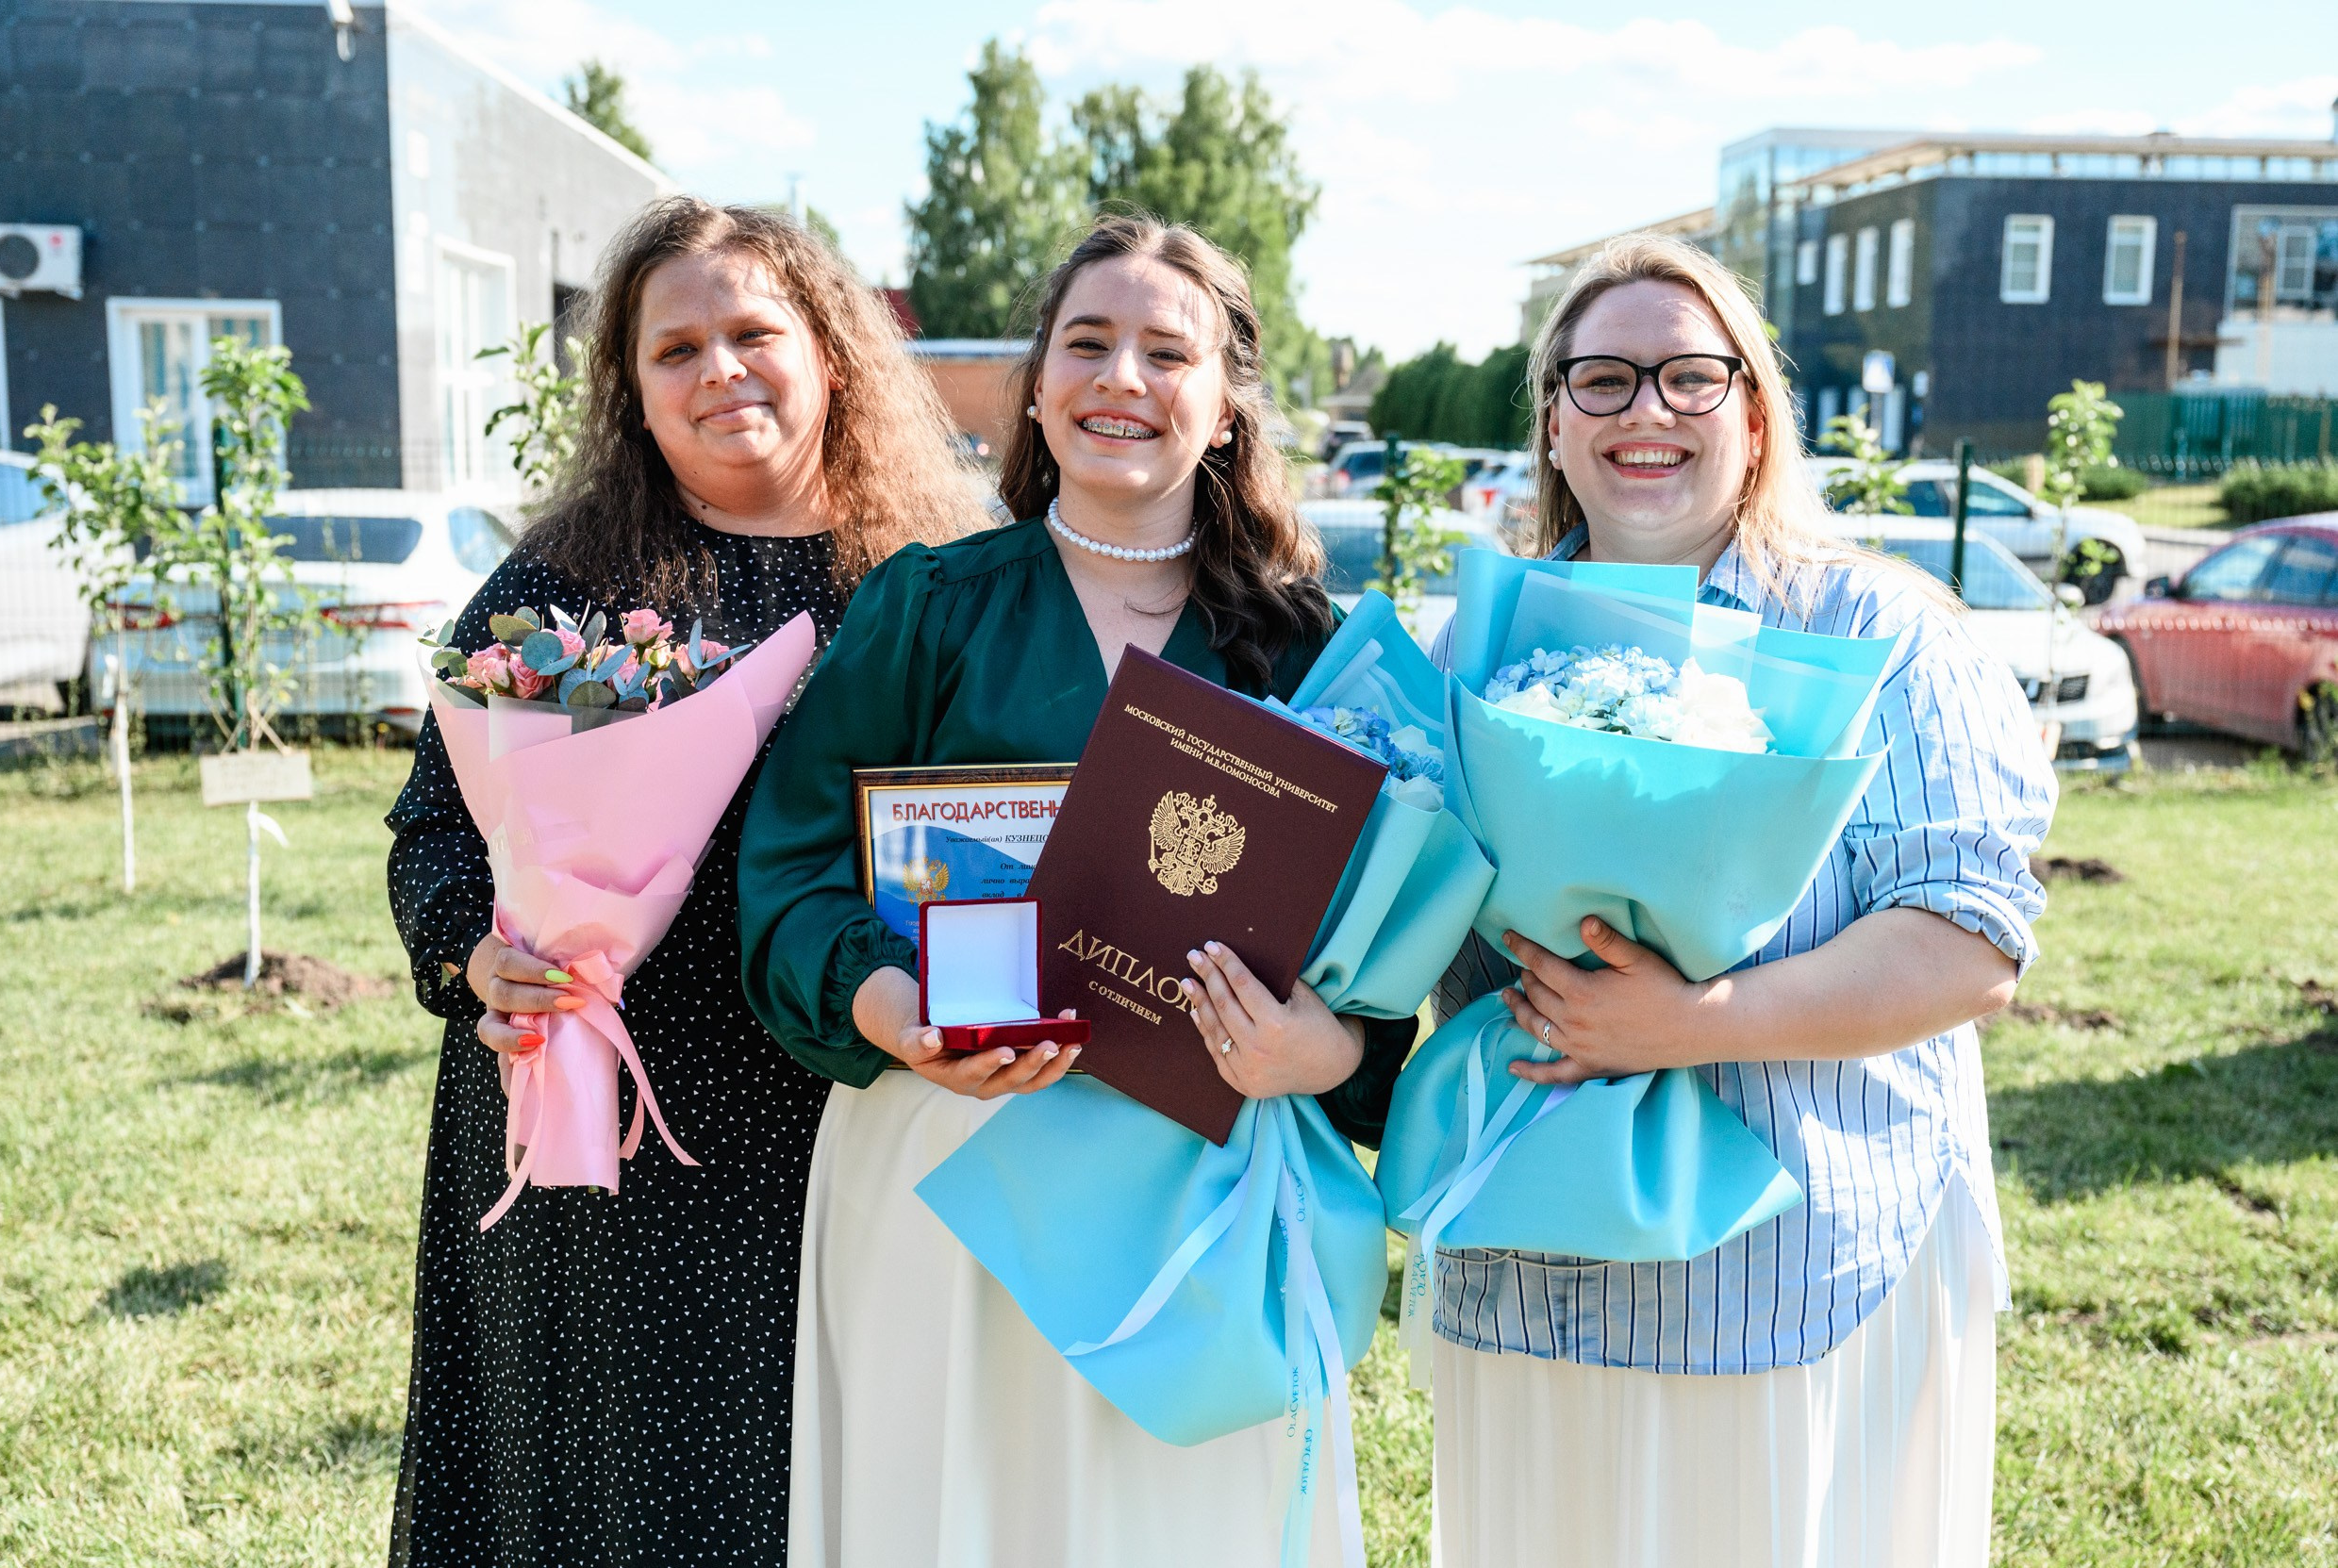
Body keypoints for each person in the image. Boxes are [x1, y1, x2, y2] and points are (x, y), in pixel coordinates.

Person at [737, 214, 1413, 1567]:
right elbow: (789, 876)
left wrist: (1325, 1049)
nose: (1123, 378)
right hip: (953, 1157)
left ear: (1224, 409)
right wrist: (888, 1009)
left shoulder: (1308, 653)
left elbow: (1383, 949)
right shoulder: (928, 609)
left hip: (1210, 1190)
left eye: (1171, 351)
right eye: (1087, 342)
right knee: (962, 1516)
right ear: (1036, 386)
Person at [1424, 233, 2056, 1568]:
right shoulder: (1475, 644)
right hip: (1532, 1257)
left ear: (1755, 416)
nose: (1644, 409)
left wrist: (1690, 1022)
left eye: (1688, 376)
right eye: (1601, 379)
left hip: (1792, 1281)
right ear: (1552, 421)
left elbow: (1967, 944)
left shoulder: (1879, 631)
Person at [384, 196, 984, 1568]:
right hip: (599, 1130)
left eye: (754, 330)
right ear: (632, 391)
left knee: (818, 1480)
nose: (721, 369)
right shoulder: (563, 586)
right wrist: (476, 958)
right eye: (677, 348)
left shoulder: (933, 581)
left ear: (831, 351)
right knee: (596, 1491)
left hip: (839, 1107)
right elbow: (431, 827)